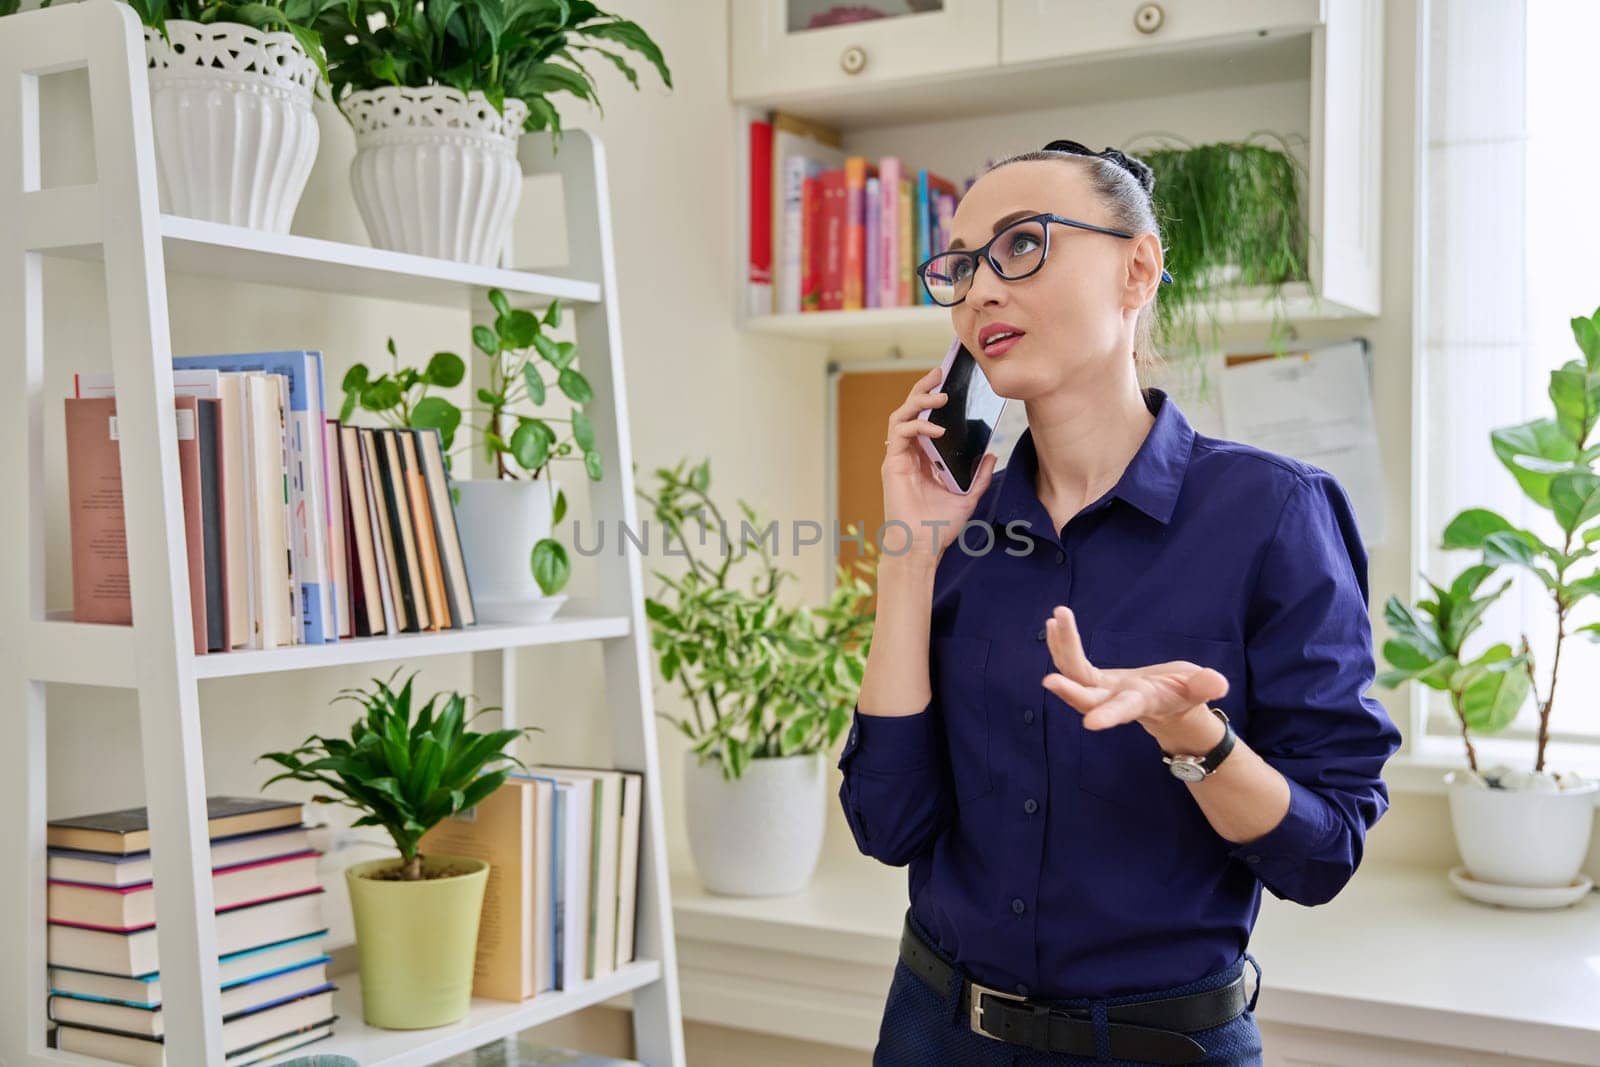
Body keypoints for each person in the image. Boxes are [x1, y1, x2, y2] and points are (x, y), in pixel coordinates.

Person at [837, 139, 1403, 1066]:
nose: (980, 290)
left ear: (1137, 268)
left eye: (1022, 246)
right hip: (934, 1032)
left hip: (1159, 1047)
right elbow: (887, 823)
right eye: (962, 264)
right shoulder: (959, 526)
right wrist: (910, 558)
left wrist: (1195, 736)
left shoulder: (1272, 512)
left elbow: (1322, 852)